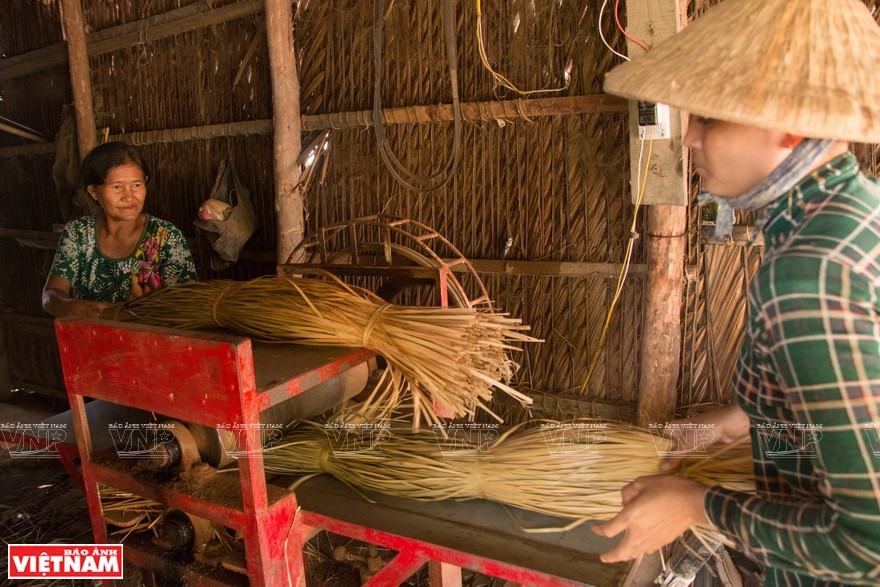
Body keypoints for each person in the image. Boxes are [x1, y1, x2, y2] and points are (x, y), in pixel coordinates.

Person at [592, 0, 880, 584]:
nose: (691, 138)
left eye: (711, 119)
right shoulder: (855, 213)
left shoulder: (809, 276)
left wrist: (693, 505)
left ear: (790, 120)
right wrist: (731, 421)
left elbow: (867, 547)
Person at [42, 141, 198, 318]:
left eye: (137, 185)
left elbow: (189, 304)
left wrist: (126, 313)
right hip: (92, 339)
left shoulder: (166, 236)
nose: (129, 197)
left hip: (150, 342)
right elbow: (50, 296)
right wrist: (78, 308)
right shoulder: (78, 233)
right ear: (93, 191)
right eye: (117, 187)